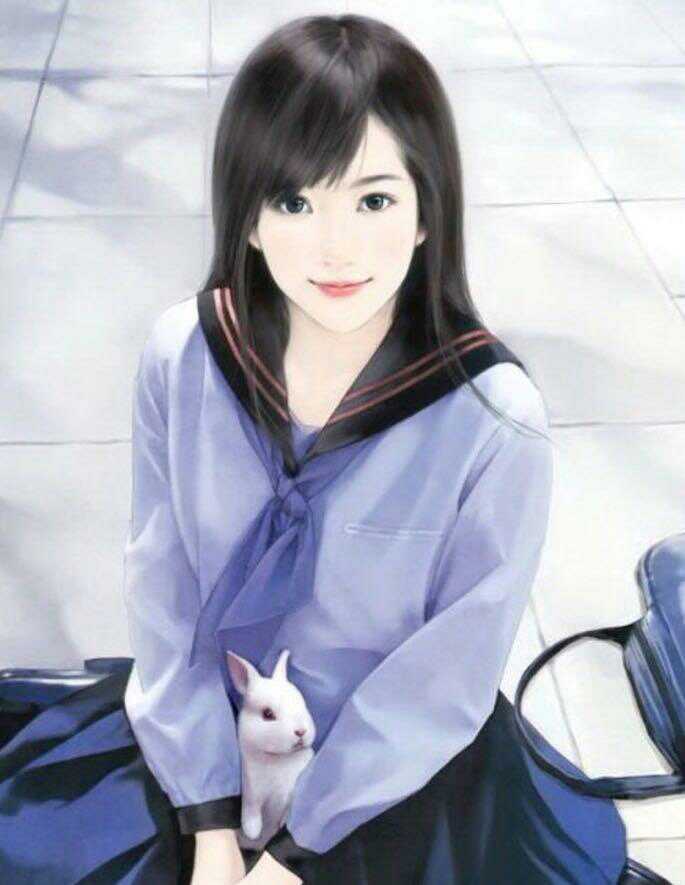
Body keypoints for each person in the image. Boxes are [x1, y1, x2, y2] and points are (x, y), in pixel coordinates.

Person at [0, 13, 631, 885]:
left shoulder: (494, 422)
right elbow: (164, 595)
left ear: (426, 214)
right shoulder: (183, 357)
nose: (335, 248)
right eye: (294, 201)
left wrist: (293, 854)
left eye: (373, 200)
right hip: (211, 735)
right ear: (249, 218)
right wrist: (210, 821)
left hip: (394, 774)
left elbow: (444, 678)